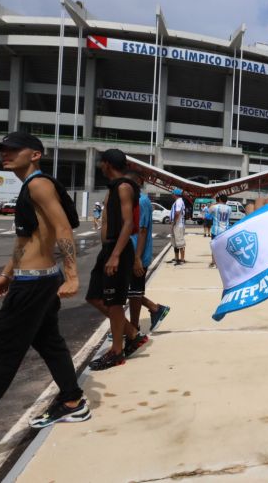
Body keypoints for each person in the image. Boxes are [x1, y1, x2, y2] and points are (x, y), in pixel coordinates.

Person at [0, 132, 91, 427]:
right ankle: (72, 401)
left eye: (13, 149)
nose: (4, 154)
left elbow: (63, 229)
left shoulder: (38, 185)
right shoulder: (28, 188)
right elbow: (26, 241)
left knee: (1, 350)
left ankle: (73, 400)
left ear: (35, 154)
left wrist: (73, 277)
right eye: (2, 150)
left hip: (35, 283)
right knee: (49, 342)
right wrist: (6, 273)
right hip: (36, 279)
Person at [86, 149, 147, 370]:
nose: (100, 166)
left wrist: (115, 255)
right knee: (94, 296)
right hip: (109, 248)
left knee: (114, 302)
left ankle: (117, 351)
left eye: (101, 163)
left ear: (107, 164)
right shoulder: (113, 188)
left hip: (117, 250)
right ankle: (131, 333)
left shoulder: (123, 187)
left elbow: (128, 224)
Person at [125, 170, 171, 332]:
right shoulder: (131, 200)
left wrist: (137, 257)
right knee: (130, 291)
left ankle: (134, 326)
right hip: (129, 252)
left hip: (138, 254)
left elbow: (142, 230)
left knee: (134, 292)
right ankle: (153, 309)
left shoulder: (142, 201)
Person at [208, 194, 232, 268]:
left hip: (216, 230)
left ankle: (214, 262)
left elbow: (209, 211)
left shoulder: (215, 207)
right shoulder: (229, 208)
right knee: (224, 247)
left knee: (214, 247)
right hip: (225, 230)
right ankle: (222, 262)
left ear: (219, 200)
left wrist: (215, 203)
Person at [170, 188, 186, 265]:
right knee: (175, 242)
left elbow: (177, 212)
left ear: (175, 194)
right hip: (178, 224)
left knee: (180, 242)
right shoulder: (179, 201)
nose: (171, 195)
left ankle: (182, 259)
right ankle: (176, 257)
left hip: (178, 224)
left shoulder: (179, 201)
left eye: (172, 193)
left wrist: (174, 222)